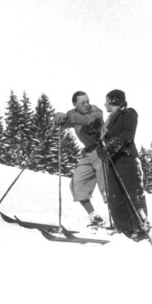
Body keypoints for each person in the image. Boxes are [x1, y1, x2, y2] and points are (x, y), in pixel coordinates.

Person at [54, 91, 107, 226]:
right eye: (82, 103)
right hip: (88, 153)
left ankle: (119, 221)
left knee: (106, 187)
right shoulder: (73, 114)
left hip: (101, 151)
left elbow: (86, 120)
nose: (86, 105)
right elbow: (65, 122)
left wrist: (67, 117)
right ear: (75, 104)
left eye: (87, 101)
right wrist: (58, 121)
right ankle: (94, 216)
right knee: (77, 183)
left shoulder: (96, 111)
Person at [101, 89, 148, 240]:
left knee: (132, 192)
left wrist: (112, 145)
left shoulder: (128, 114)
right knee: (115, 195)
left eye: (107, 100)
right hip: (113, 159)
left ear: (114, 100)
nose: (105, 104)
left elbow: (127, 134)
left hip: (126, 158)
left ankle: (141, 228)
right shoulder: (109, 119)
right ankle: (124, 228)